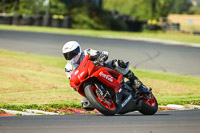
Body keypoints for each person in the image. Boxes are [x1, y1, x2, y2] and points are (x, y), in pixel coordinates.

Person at [62, 41, 147, 111]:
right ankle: (104, 100)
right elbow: (72, 82)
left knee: (117, 63)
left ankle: (137, 82)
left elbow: (103, 53)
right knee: (86, 105)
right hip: (88, 81)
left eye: (72, 54)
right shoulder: (68, 68)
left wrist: (101, 57)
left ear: (78, 51)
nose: (70, 57)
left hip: (103, 69)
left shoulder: (87, 52)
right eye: (67, 55)